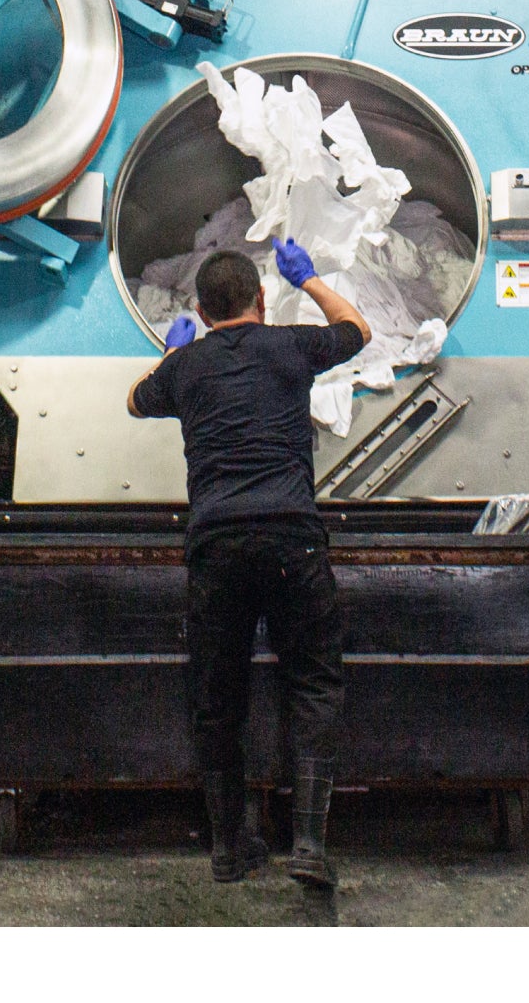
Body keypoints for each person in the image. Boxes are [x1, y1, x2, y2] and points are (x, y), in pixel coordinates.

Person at [127, 237, 370, 889]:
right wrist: (311, 279)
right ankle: (310, 844)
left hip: (217, 547)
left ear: (203, 313)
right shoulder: (290, 345)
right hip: (293, 539)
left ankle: (229, 847)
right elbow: (356, 330)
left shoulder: (186, 367)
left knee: (217, 698)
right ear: (262, 300)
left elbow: (133, 400)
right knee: (313, 683)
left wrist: (174, 350)